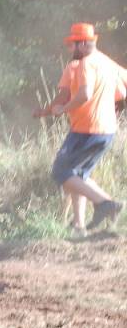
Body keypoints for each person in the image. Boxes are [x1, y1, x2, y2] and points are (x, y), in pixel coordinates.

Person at [33, 22, 126, 235]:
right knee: (78, 176)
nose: (69, 50)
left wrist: (64, 109)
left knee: (61, 172)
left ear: (83, 43)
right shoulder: (107, 63)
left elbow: (84, 94)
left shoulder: (85, 63)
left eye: (71, 45)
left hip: (88, 129)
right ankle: (79, 226)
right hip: (106, 129)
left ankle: (105, 203)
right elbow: (121, 92)